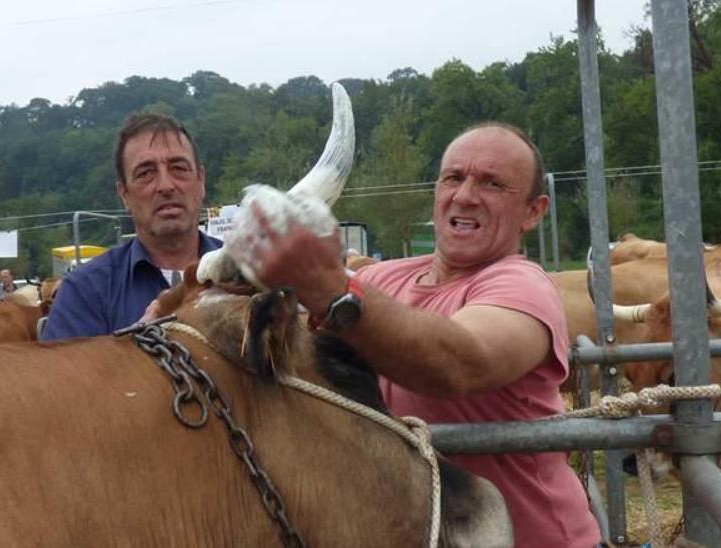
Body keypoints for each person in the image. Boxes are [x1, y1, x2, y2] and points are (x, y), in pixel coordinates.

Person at [241, 123, 601, 547]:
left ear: (533, 211)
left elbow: (460, 363)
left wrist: (329, 287)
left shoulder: (522, 285)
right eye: (453, 177)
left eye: (493, 183)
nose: (465, 195)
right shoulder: (383, 276)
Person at [42, 113, 221, 340]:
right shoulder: (85, 292)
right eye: (146, 173)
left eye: (179, 168)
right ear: (124, 194)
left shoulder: (245, 274)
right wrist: (133, 348)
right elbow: (64, 375)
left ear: (201, 181)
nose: (166, 186)